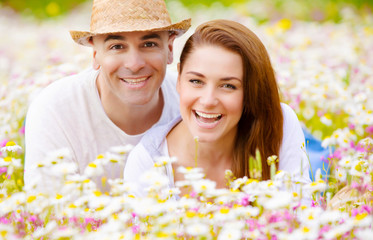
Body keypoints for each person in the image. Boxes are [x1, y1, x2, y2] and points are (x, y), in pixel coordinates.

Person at [123, 19, 311, 198]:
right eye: (196, 81)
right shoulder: (148, 164)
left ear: (250, 92)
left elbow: (299, 216)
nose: (208, 100)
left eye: (228, 86)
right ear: (179, 79)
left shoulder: (279, 123)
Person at [23, 0, 191, 191]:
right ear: (95, 54)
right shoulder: (54, 111)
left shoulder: (191, 101)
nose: (134, 64)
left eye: (149, 44)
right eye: (117, 47)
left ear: (169, 49)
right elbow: (48, 211)